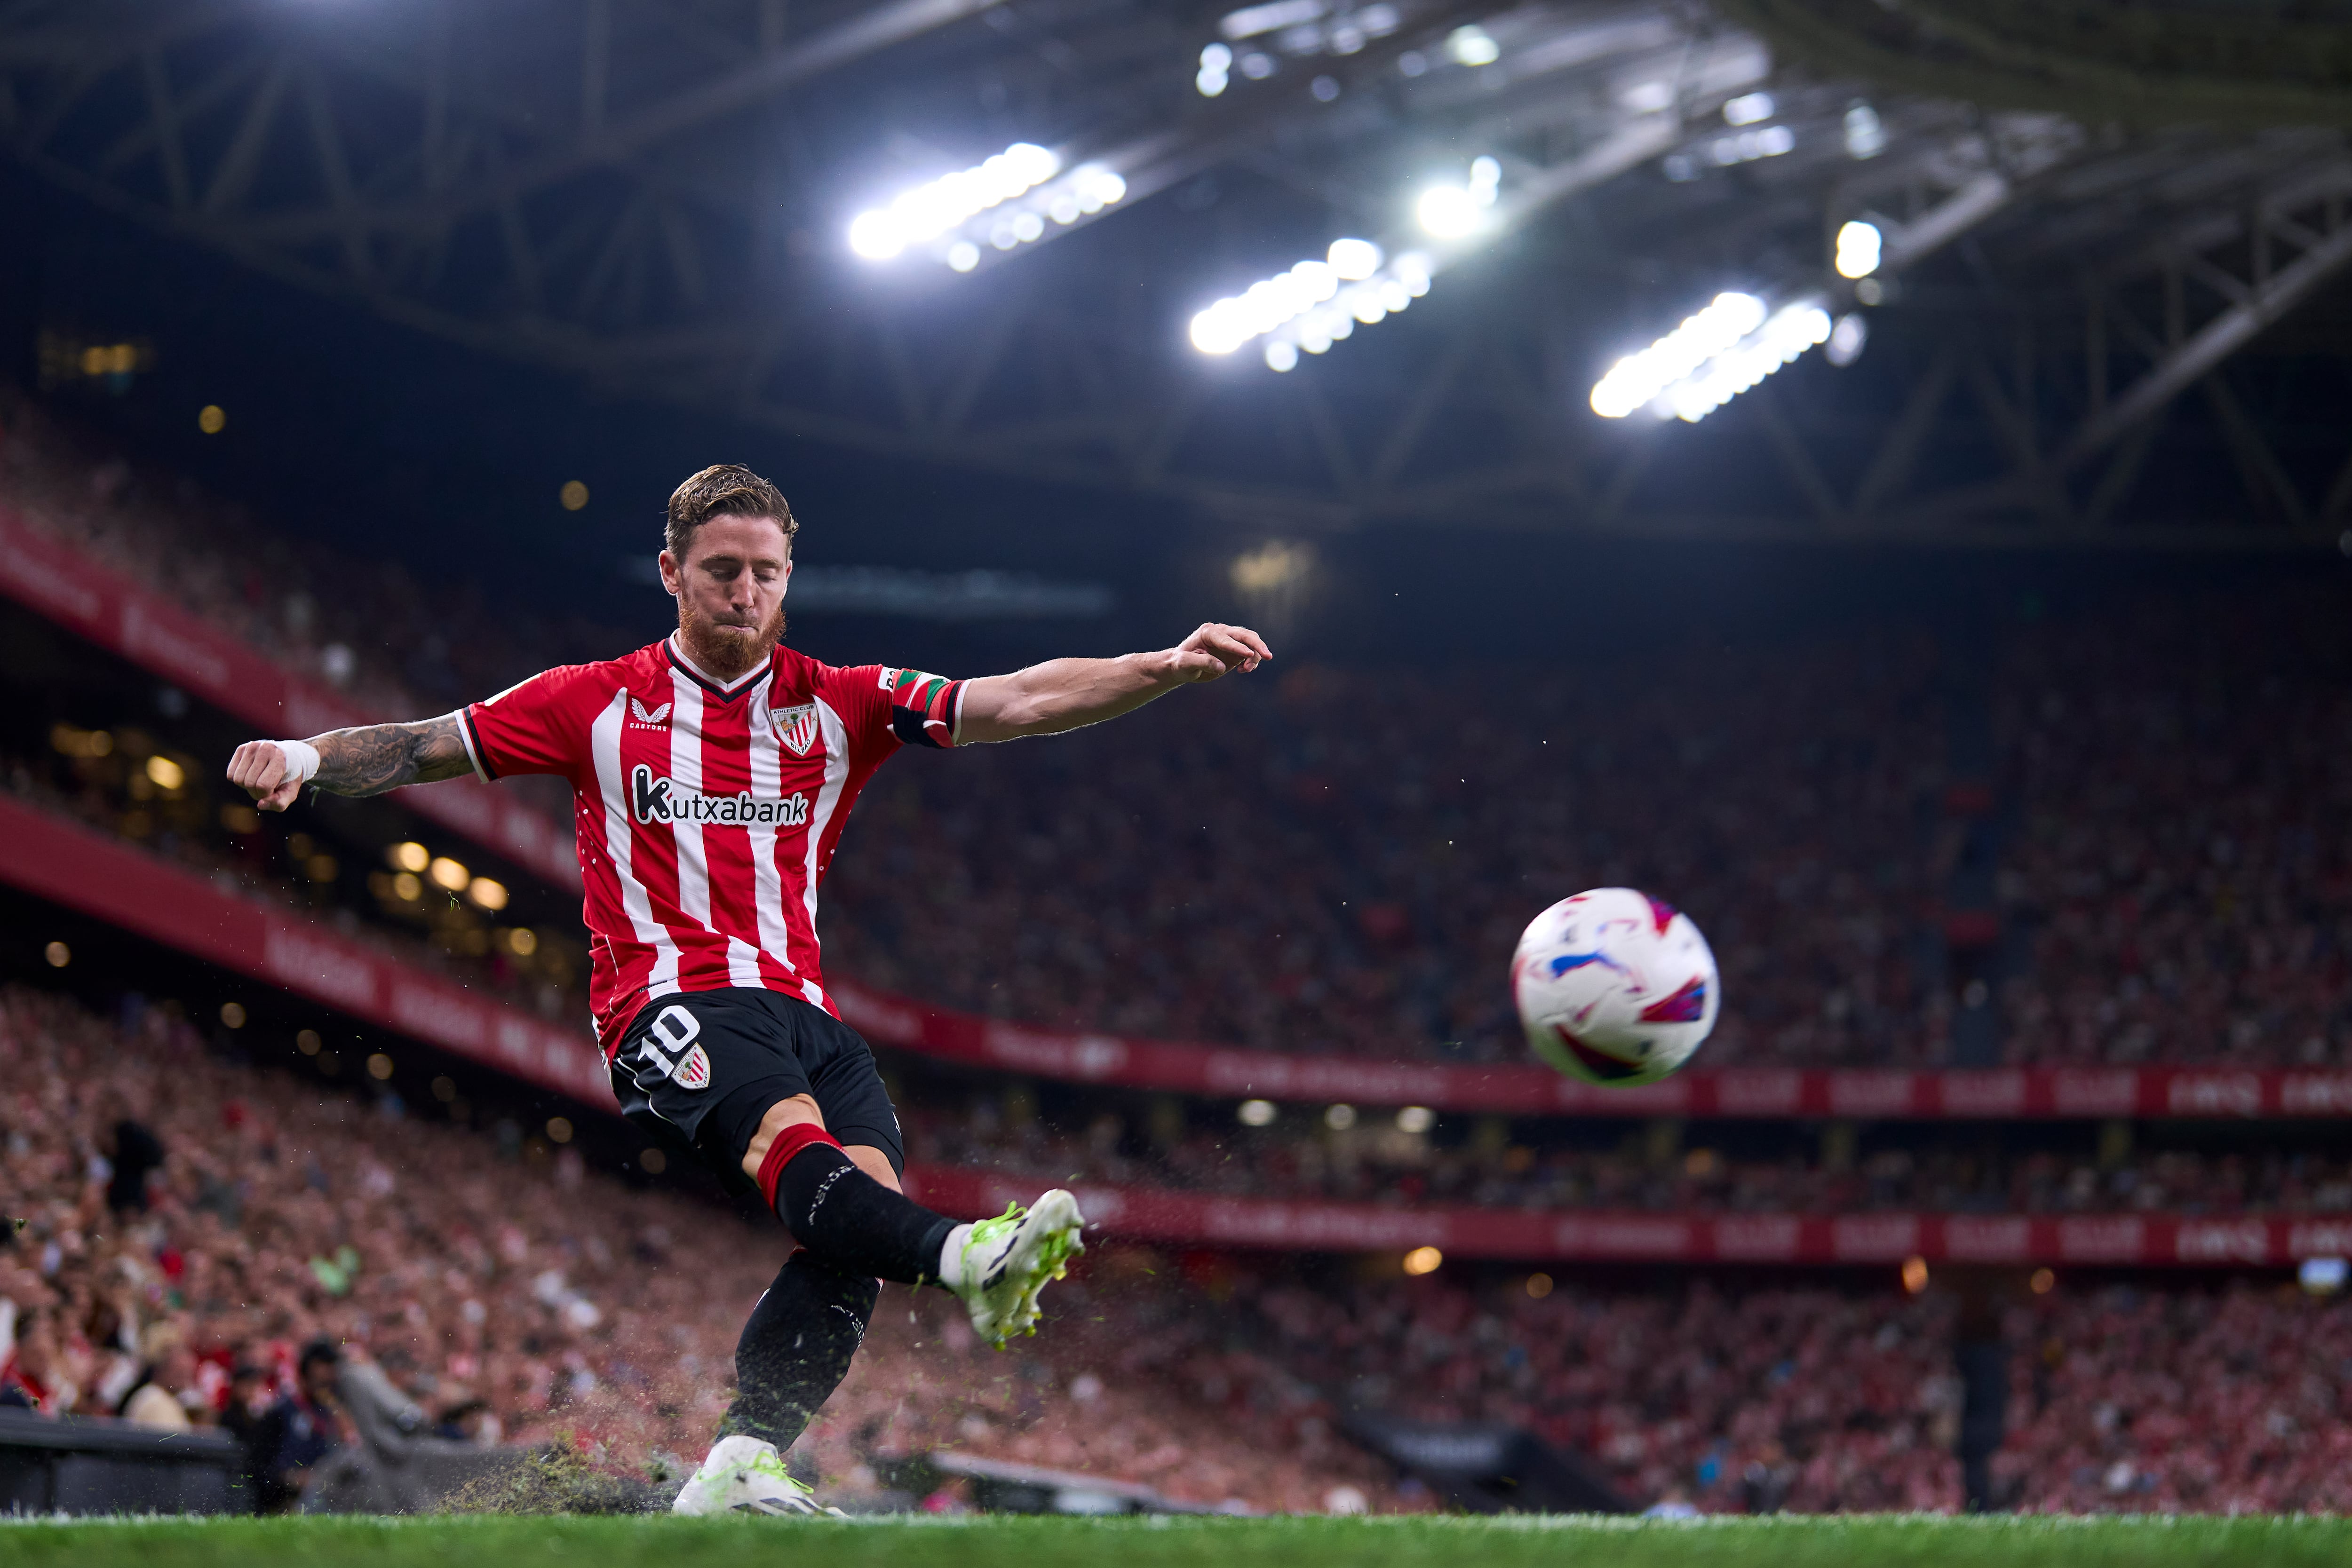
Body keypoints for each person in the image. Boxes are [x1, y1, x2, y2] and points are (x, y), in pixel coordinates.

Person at [225, 464, 1271, 1517]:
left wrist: (1161, 665)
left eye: (765, 572)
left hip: (805, 1010)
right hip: (669, 998)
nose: (744, 591)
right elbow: (418, 744)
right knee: (805, 1160)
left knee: (851, 1232)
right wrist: (303, 756)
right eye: (722, 569)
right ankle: (965, 1255)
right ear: (673, 572)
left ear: (787, 578)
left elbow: (1013, 700)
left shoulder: (843, 700)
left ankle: (740, 1458)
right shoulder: (590, 700)